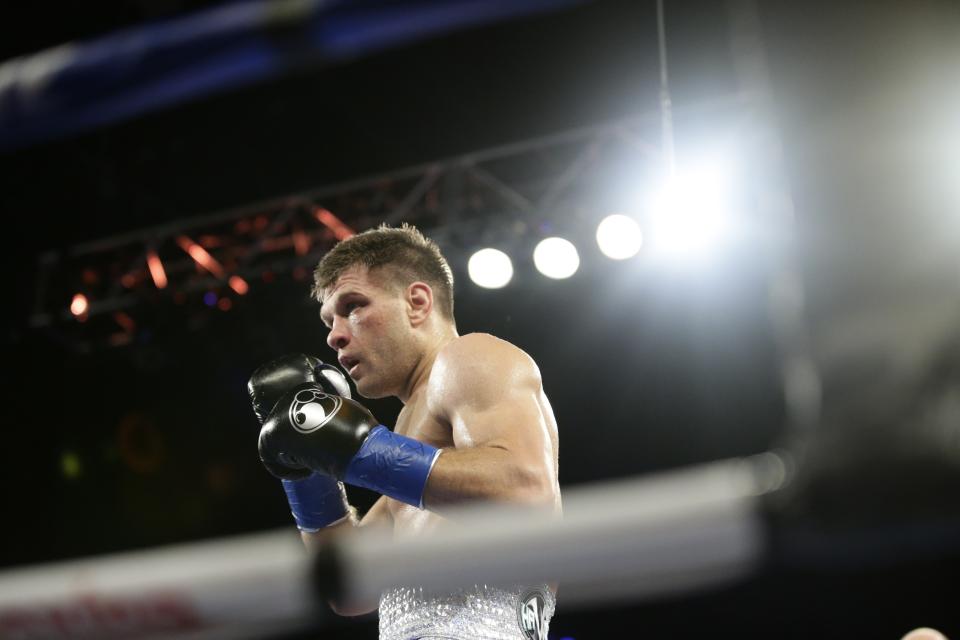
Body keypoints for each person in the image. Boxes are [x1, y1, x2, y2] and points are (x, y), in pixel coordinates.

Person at [247, 223, 562, 640]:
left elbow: (525, 491)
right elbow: (349, 589)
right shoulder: (414, 446)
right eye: (329, 320)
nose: (335, 335)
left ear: (416, 303)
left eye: (353, 306)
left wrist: (360, 451)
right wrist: (307, 472)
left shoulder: (470, 357)